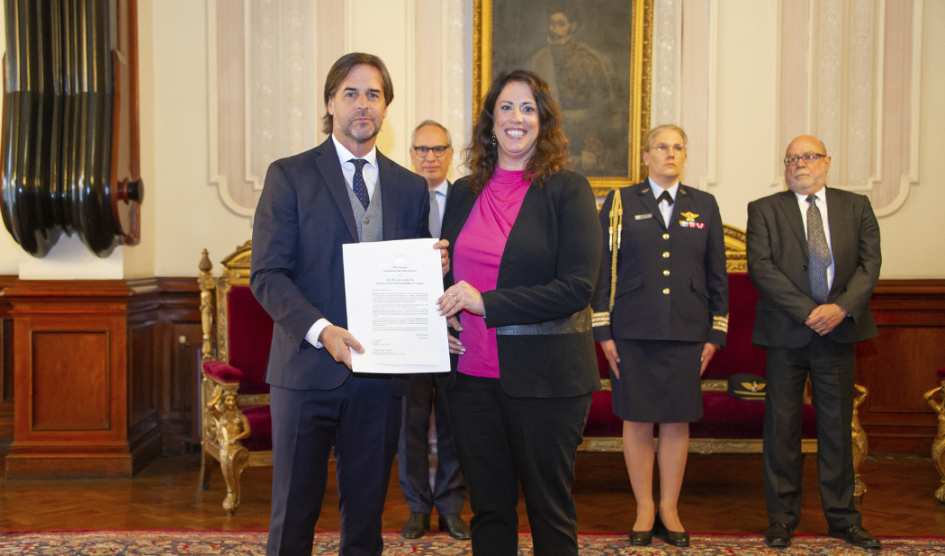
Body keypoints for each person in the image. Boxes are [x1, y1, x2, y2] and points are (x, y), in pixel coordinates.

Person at [250, 52, 449, 556]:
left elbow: (409, 274)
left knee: (365, 522)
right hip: (305, 373)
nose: (364, 104)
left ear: (386, 108)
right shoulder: (289, 175)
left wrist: (434, 269)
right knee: (293, 516)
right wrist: (321, 330)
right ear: (330, 102)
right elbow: (267, 275)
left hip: (379, 382)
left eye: (374, 95)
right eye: (352, 93)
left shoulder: (409, 187)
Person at [436, 69, 601, 556]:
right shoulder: (464, 191)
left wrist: (485, 303)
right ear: (491, 122)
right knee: (488, 510)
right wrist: (441, 312)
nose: (516, 118)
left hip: (547, 381)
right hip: (469, 378)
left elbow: (577, 288)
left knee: (550, 512)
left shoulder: (568, 191)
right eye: (506, 107)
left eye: (528, 109)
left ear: (543, 123)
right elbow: (450, 277)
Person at [590, 124, 728, 548]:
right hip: (633, 328)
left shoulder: (702, 204)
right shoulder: (619, 202)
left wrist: (716, 332)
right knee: (636, 419)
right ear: (645, 156)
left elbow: (716, 272)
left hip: (687, 328)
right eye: (661, 147)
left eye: (678, 147)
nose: (670, 153)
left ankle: (669, 507)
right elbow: (600, 265)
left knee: (675, 420)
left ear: (685, 156)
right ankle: (644, 508)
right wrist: (603, 329)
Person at [747, 134, 882, 550]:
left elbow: (869, 263)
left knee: (837, 430)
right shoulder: (764, 209)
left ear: (827, 162)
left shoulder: (855, 206)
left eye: (808, 157)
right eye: (791, 158)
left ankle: (844, 519)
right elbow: (762, 269)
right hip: (785, 334)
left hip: (839, 332)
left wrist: (839, 308)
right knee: (782, 430)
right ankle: (782, 519)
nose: (799, 164)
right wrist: (809, 311)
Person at [398, 121, 471, 541]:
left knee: (453, 421)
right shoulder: (399, 197)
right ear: (412, 154)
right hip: (408, 328)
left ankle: (450, 505)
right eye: (421, 150)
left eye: (438, 149)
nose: (430, 157)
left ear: (449, 153)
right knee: (410, 422)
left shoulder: (466, 198)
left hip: (459, 326)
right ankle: (416, 507)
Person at [525, 6, 620, 175]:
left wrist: (590, 143)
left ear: (573, 25)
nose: (554, 29)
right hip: (549, 134)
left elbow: (602, 108)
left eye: (561, 24)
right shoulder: (538, 60)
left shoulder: (589, 60)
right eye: (552, 24)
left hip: (584, 134)